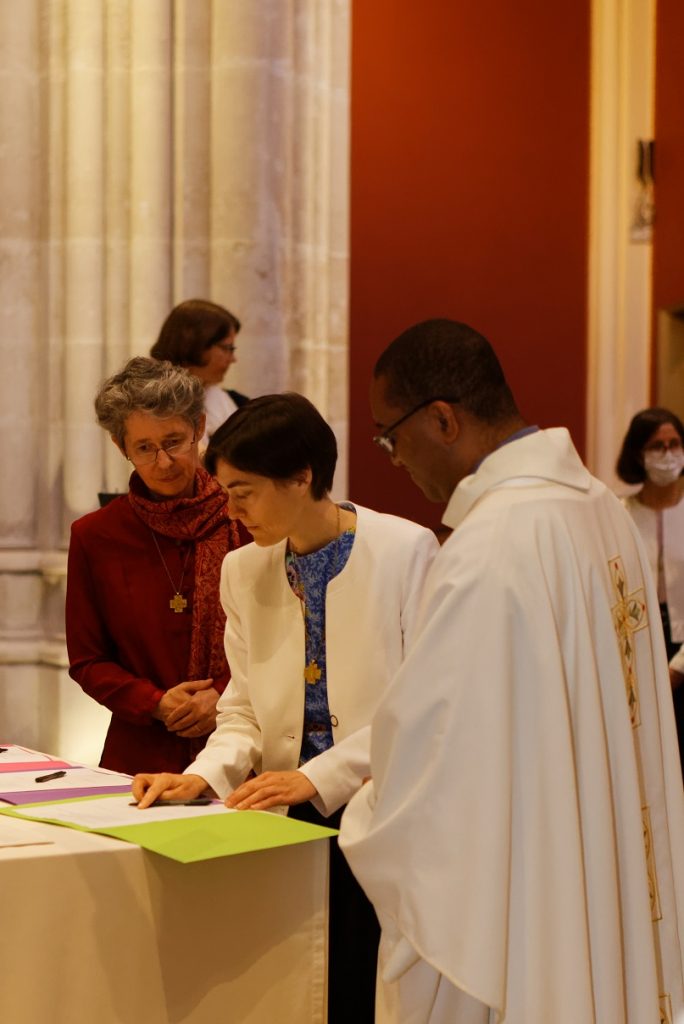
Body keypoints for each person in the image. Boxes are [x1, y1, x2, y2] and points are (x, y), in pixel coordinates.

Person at [339, 319, 684, 1024]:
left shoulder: (489, 548)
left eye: (388, 435)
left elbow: (434, 773)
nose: (394, 459)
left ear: (442, 419)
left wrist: (366, 810)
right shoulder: (596, 510)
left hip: (535, 887)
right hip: (605, 860)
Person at [132, 393, 439, 1024]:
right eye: (226, 491)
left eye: (244, 491)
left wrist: (315, 776)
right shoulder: (245, 569)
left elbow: (421, 703)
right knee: (288, 985)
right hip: (283, 812)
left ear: (302, 476)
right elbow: (242, 707)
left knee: (365, 983)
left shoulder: (406, 551)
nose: (232, 509)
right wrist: (203, 778)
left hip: (386, 805)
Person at [66, 357, 250, 776]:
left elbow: (285, 639)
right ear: (121, 448)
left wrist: (223, 695)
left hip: (245, 750)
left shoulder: (246, 517)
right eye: (144, 448)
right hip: (141, 756)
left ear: (199, 429)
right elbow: (88, 660)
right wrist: (156, 703)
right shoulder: (96, 535)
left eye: (174, 441)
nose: (163, 462)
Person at [617, 407, 684, 772]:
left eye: (675, 444)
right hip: (637, 645)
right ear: (638, 453)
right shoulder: (619, 514)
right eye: (657, 446)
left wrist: (677, 668)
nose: (668, 453)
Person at [151, 298, 249, 445]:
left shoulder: (231, 400)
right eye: (227, 348)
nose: (233, 359)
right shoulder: (155, 405)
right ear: (196, 345)